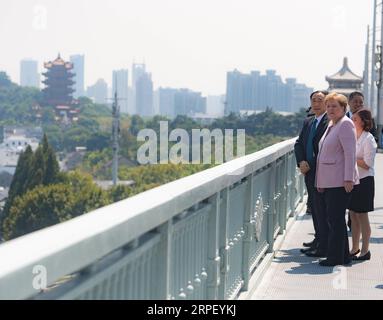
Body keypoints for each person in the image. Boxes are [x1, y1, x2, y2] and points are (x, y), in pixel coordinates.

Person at [316, 92, 359, 266]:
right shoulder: (332, 124)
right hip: (330, 181)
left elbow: (350, 154)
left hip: (340, 181)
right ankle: (343, 256)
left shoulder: (345, 125)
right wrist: (320, 182)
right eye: (328, 106)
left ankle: (335, 258)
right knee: (335, 219)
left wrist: (348, 178)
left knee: (335, 220)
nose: (330, 109)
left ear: (343, 108)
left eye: (335, 106)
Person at [294, 90, 329, 252]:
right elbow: (299, 144)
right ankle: (318, 239)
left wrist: (310, 163)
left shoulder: (330, 122)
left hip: (322, 172)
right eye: (313, 100)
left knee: (323, 209)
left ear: (326, 102)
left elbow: (327, 150)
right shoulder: (308, 122)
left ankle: (324, 243)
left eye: (320, 100)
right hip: (308, 171)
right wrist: (301, 161)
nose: (316, 103)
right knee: (314, 207)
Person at [348, 109, 377, 261]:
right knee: (353, 214)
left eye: (355, 119)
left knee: (362, 215)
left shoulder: (369, 139)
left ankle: (365, 250)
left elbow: (367, 164)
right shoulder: (352, 136)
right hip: (353, 179)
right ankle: (354, 248)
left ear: (363, 122)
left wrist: (350, 157)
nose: (352, 121)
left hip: (365, 181)